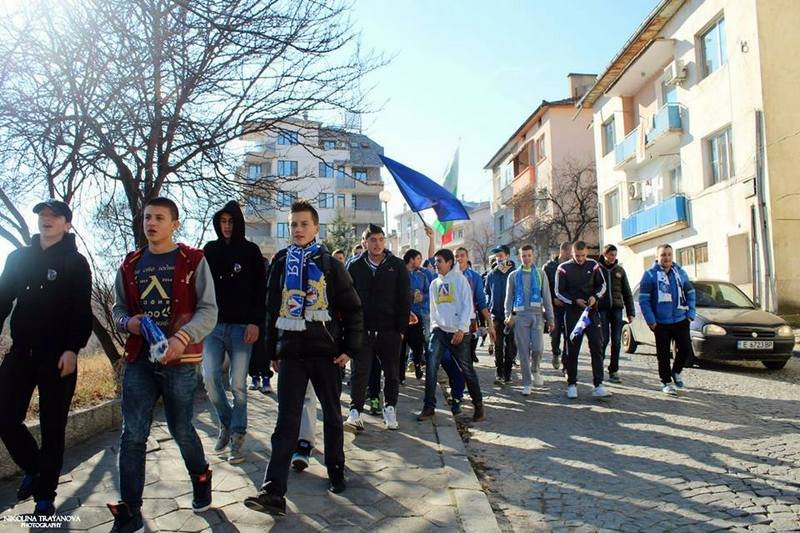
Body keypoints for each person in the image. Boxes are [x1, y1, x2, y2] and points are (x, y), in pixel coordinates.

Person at [244, 200, 362, 515]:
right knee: (286, 423)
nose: (298, 230)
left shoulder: (329, 264)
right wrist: (272, 351)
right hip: (292, 356)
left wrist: (349, 349)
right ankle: (273, 492)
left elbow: (352, 309)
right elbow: (270, 310)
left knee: (333, 416)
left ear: (315, 228)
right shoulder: (281, 263)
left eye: (304, 224)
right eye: (293, 224)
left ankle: (336, 467)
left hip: (326, 354)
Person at [109, 197, 218, 531]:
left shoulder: (193, 260)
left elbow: (209, 310)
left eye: (159, 217)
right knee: (133, 434)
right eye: (146, 217)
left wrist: (181, 338)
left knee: (181, 428)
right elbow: (117, 310)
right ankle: (130, 510)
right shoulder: (130, 265)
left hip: (181, 361)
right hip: (140, 359)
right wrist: (129, 323)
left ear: (175, 223)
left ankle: (200, 475)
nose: (151, 223)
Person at [0, 200, 92, 518]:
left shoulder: (75, 262)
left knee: (54, 427)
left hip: (58, 356)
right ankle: (35, 468)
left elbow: (81, 311)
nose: (46, 219)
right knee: (4, 417)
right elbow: (2, 300)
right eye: (42, 215)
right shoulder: (18, 258)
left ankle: (45, 495)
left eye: (54, 216)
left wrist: (72, 349)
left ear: (67, 224)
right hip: (21, 352)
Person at [202, 201, 267, 464]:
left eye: (231, 221)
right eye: (222, 221)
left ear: (237, 223)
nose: (226, 226)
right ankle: (227, 423)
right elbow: (201, 286)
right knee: (210, 377)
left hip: (243, 327)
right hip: (214, 326)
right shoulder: (210, 250)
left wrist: (255, 323)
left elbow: (259, 291)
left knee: (238, 385)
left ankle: (238, 437)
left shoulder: (251, 251)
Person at [345, 224, 410, 432]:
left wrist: (401, 329)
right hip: (362, 331)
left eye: (381, 239)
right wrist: (350, 328)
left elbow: (404, 298)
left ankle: (390, 408)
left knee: (391, 373)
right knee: (359, 372)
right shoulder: (354, 266)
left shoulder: (397, 265)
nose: (377, 244)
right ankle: (355, 412)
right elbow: (346, 298)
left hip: (389, 330)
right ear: (365, 242)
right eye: (373, 240)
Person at [417, 249, 485, 422]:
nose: (436, 264)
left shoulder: (460, 280)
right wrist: (434, 327)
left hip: (459, 333)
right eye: (435, 261)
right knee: (431, 367)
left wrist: (461, 329)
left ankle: (478, 406)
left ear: (449, 263)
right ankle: (429, 406)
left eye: (439, 261)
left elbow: (467, 306)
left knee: (467, 369)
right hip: (439, 332)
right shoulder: (434, 284)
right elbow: (433, 308)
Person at [554, 241, 609, 400]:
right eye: (577, 256)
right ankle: (572, 384)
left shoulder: (593, 265)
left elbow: (602, 286)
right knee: (572, 349)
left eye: (583, 255)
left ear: (586, 253)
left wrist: (595, 297)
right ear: (572, 253)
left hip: (591, 313)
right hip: (573, 314)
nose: (580, 258)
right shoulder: (563, 268)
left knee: (597, 347)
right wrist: (573, 301)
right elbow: (559, 292)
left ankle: (598, 384)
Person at [638, 244, 696, 396]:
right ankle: (666, 382)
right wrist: (651, 320)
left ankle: (676, 371)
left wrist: (691, 313)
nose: (667, 258)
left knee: (685, 349)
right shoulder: (650, 275)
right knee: (663, 354)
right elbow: (644, 300)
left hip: (681, 318)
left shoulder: (680, 272)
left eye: (669, 254)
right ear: (657, 257)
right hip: (661, 322)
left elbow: (690, 292)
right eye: (663, 255)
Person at [504, 245, 555, 396]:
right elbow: (508, 299)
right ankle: (527, 382)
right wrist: (508, 315)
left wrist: (550, 318)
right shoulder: (513, 275)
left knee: (538, 348)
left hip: (537, 315)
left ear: (533, 256)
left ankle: (536, 370)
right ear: (519, 257)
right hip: (520, 316)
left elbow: (546, 297)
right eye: (523, 256)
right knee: (523, 351)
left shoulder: (540, 274)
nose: (526, 258)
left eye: (529, 255)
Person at [597, 244, 635, 384]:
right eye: (610, 255)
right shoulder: (598, 269)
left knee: (617, 341)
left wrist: (630, 312)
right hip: (602, 308)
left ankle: (614, 369)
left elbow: (627, 292)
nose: (613, 257)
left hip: (617, 309)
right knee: (604, 339)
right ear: (604, 254)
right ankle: (598, 367)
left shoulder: (620, 271)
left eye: (614, 255)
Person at [454, 247, 495, 363]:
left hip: (469, 320)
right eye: (456, 256)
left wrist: (490, 323)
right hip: (452, 320)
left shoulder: (475, 277)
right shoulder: (450, 275)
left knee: (467, 356)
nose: (459, 258)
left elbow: (481, 302)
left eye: (462, 255)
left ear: (467, 258)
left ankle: (468, 379)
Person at [485, 245, 516, 384]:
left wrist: (513, 313)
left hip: (511, 315)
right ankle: (499, 373)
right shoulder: (491, 274)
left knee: (510, 346)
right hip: (496, 315)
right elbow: (487, 292)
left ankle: (508, 373)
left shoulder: (515, 273)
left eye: (501, 256)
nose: (498, 259)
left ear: (507, 256)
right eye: (496, 257)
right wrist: (489, 306)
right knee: (498, 345)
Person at [401, 249, 429, 382]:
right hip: (401, 316)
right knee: (401, 348)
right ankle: (400, 375)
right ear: (411, 259)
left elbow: (428, 293)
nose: (420, 261)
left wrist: (421, 297)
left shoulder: (422, 276)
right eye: (418, 258)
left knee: (418, 345)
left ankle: (417, 365)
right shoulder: (399, 274)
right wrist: (409, 294)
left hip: (417, 316)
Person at [543, 241, 571, 371]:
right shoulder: (549, 267)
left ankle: (566, 364)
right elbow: (544, 287)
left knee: (568, 336)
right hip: (554, 307)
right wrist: (552, 299)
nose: (572, 255)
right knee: (555, 335)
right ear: (563, 251)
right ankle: (555, 352)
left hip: (568, 307)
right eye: (570, 252)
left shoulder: (572, 267)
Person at [249, 255, 274, 394]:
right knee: (252, 350)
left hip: (265, 320)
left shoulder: (269, 281)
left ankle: (265, 378)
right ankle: (254, 377)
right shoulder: (249, 281)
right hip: (250, 320)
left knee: (263, 350)